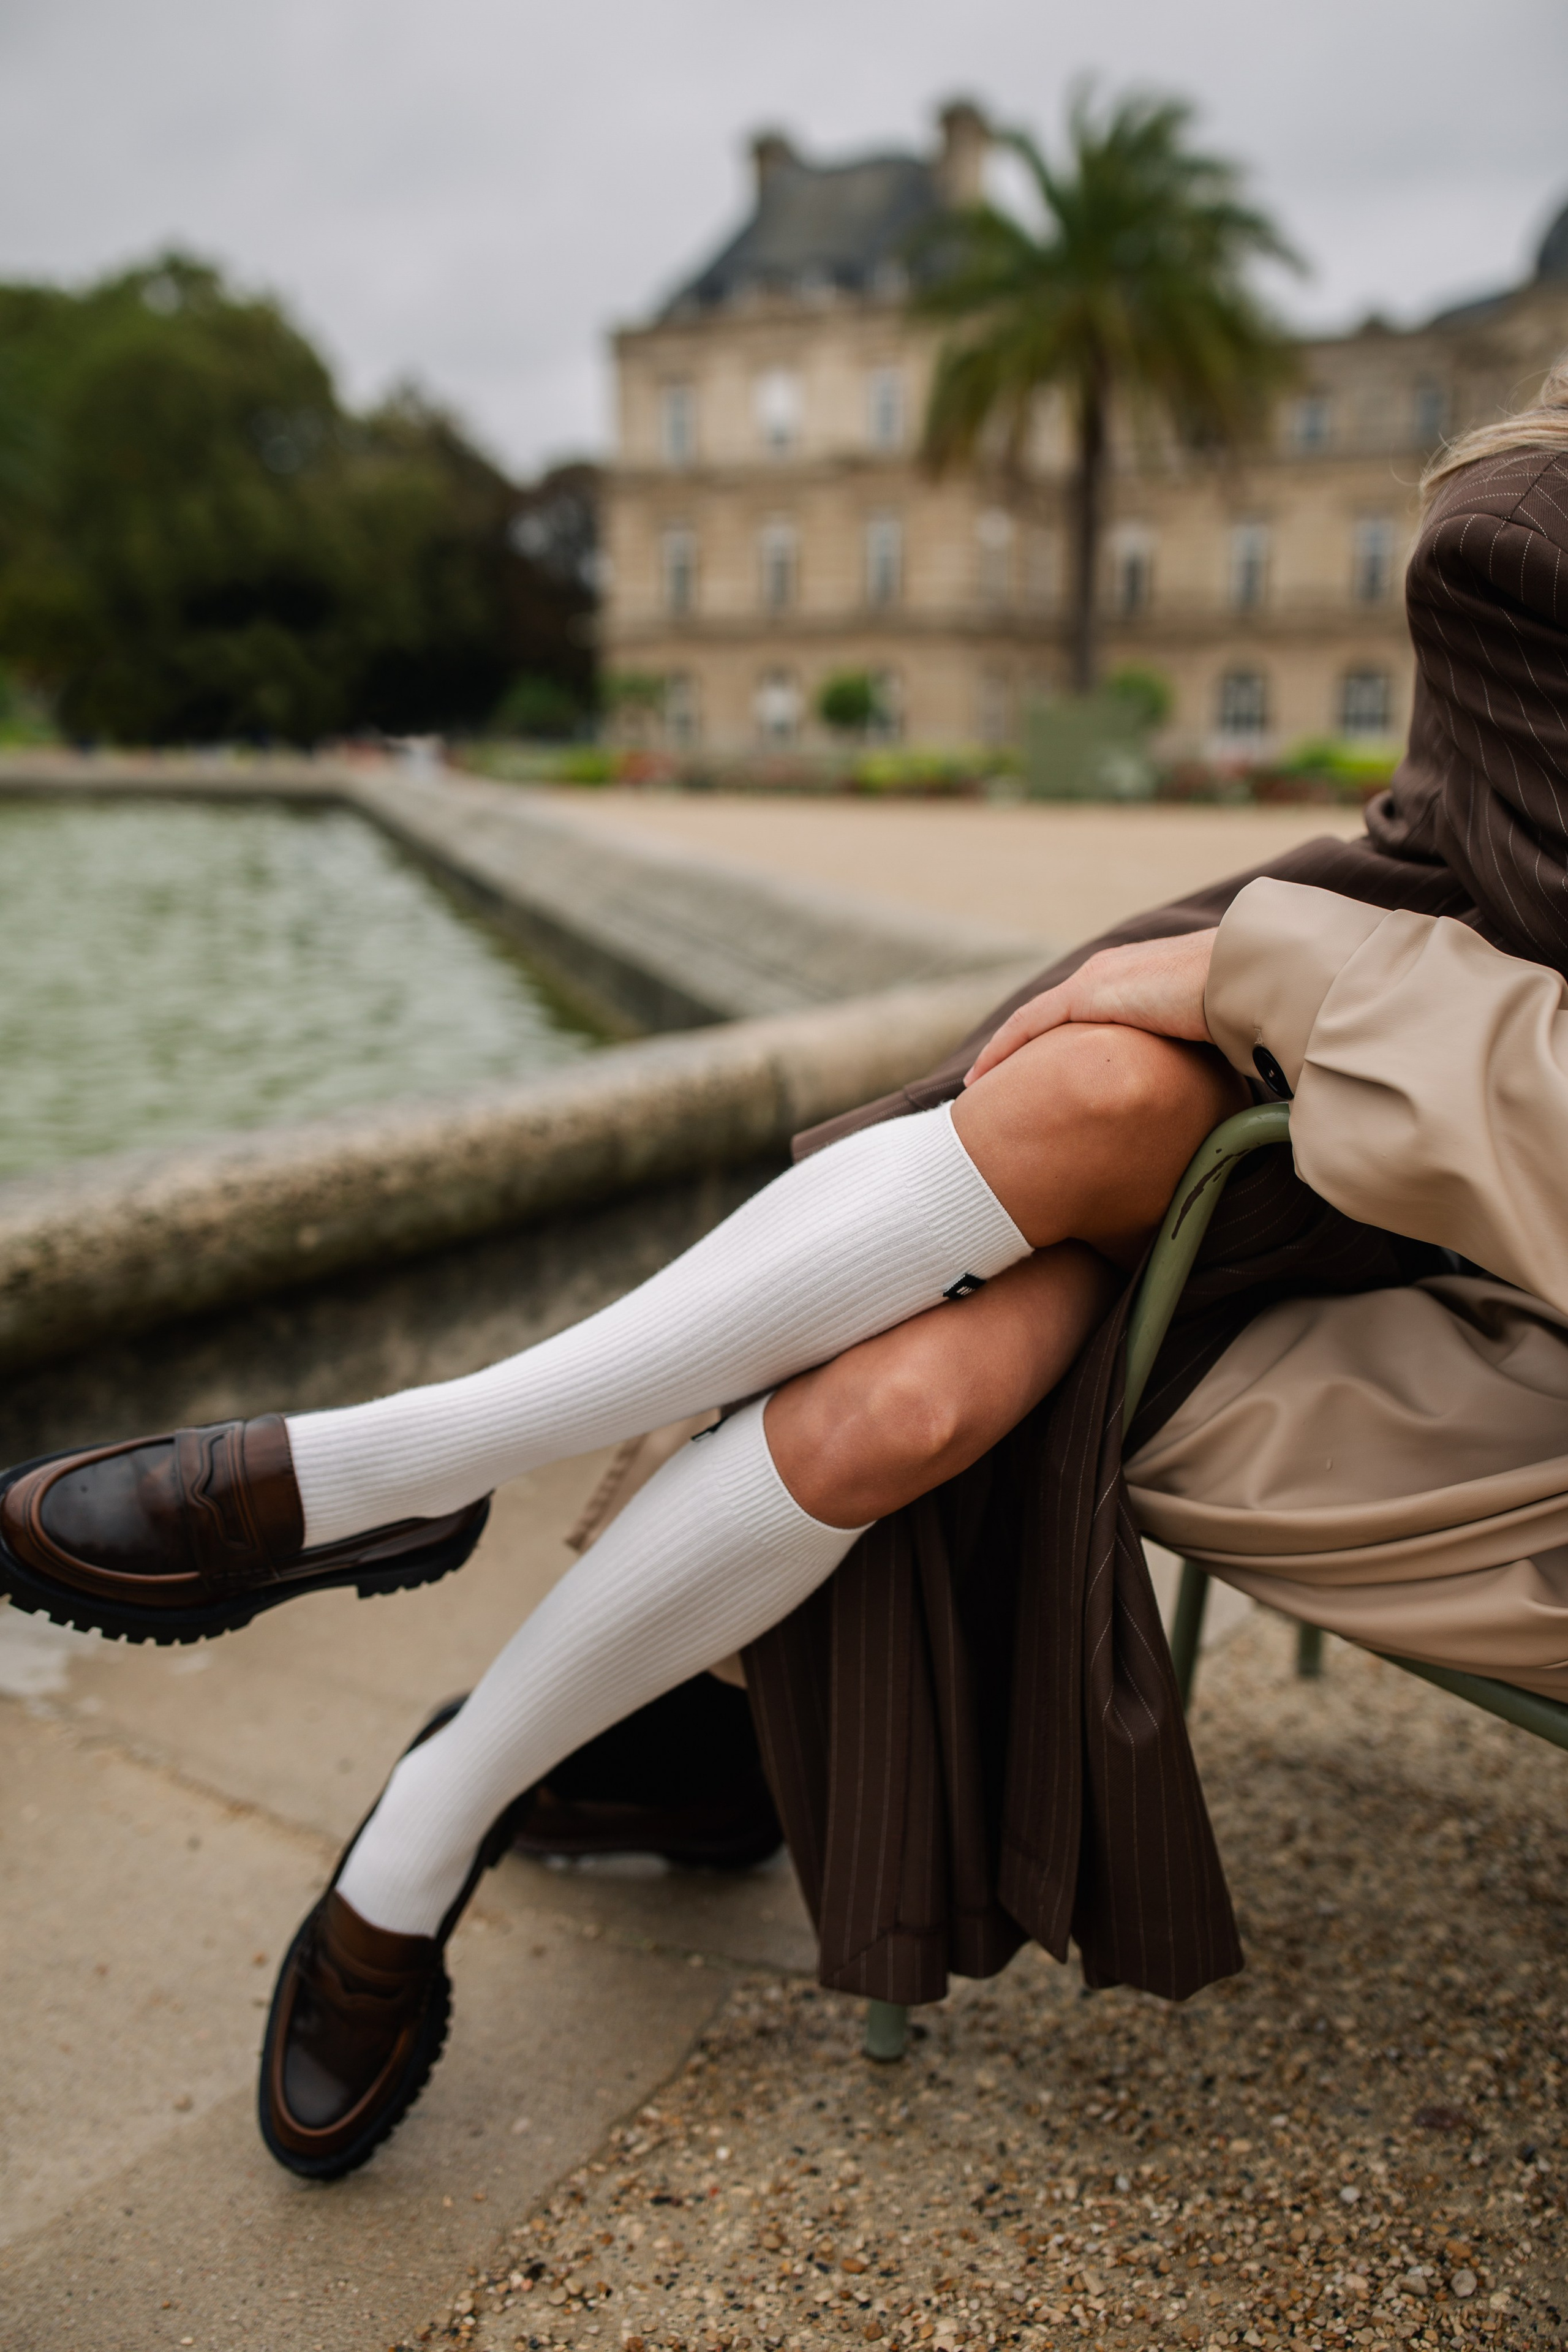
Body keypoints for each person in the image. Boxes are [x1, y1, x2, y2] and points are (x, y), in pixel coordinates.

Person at [8, 369, 1568, 2181]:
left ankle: (401, 1597)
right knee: (938, 1334)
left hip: (1444, 1104)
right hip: (1339, 1057)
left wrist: (1284, 980)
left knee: (1017, 1205)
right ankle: (414, 1729)